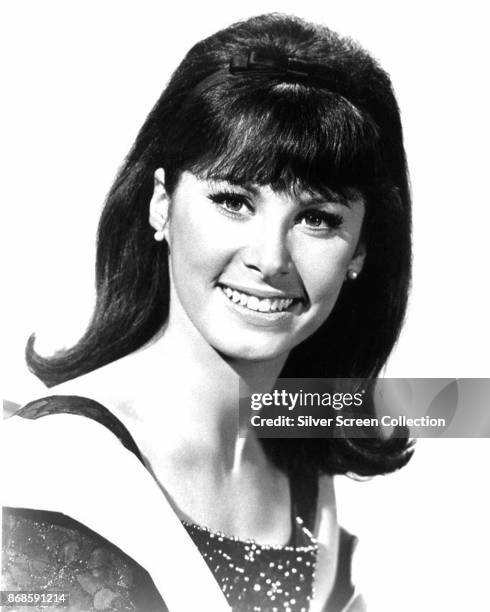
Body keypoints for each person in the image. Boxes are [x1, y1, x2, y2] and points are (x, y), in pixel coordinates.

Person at [2, 13, 413, 612]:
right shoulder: (52, 470)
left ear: (362, 249)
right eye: (233, 201)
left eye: (318, 219)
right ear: (162, 204)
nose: (271, 259)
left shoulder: (304, 462)